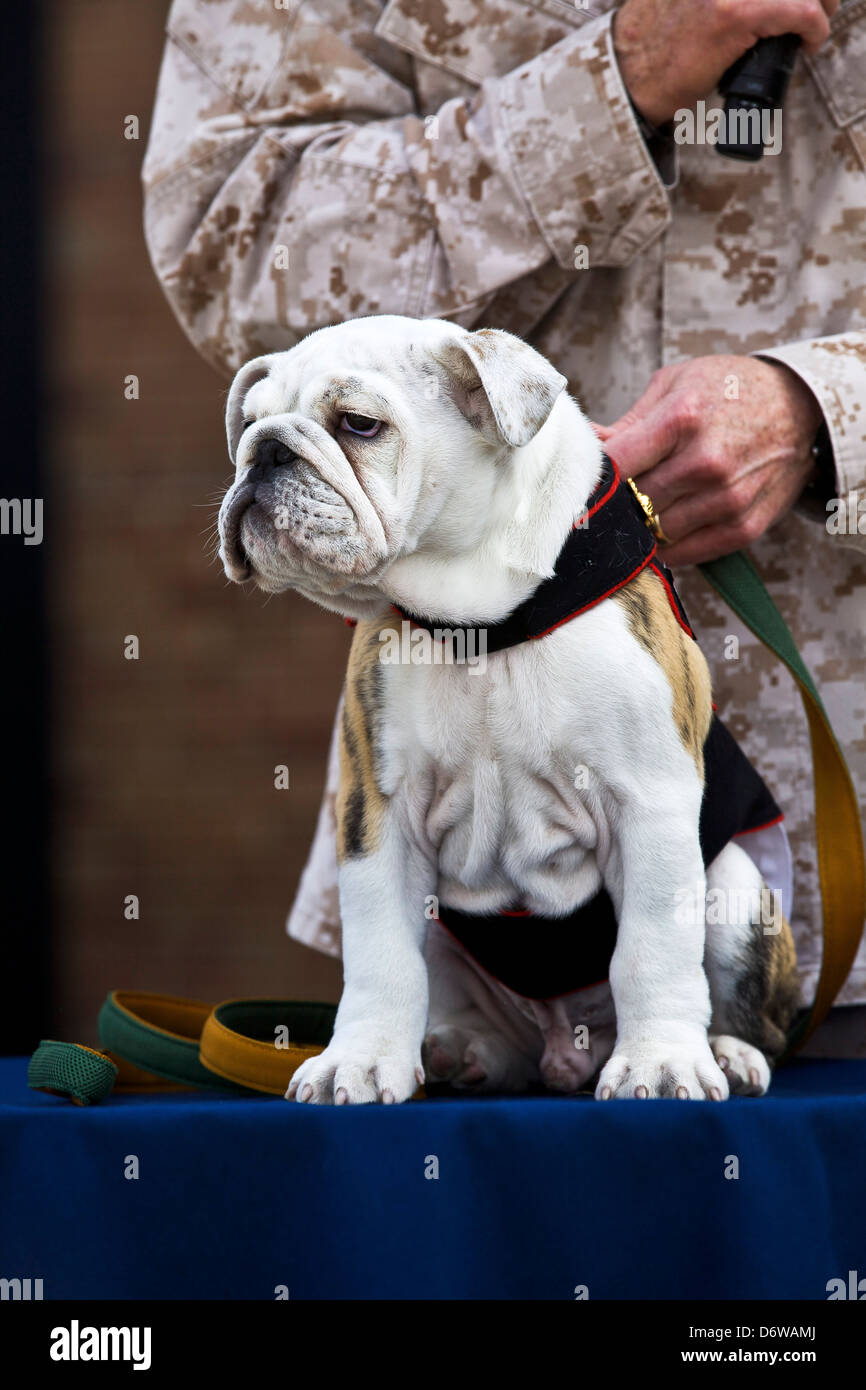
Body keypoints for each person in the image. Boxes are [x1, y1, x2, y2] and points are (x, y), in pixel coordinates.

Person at [143, 0, 866, 1041]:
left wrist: (826, 413)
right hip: (461, 932)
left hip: (838, 891)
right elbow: (231, 243)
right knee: (452, 1195)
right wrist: (609, 86)